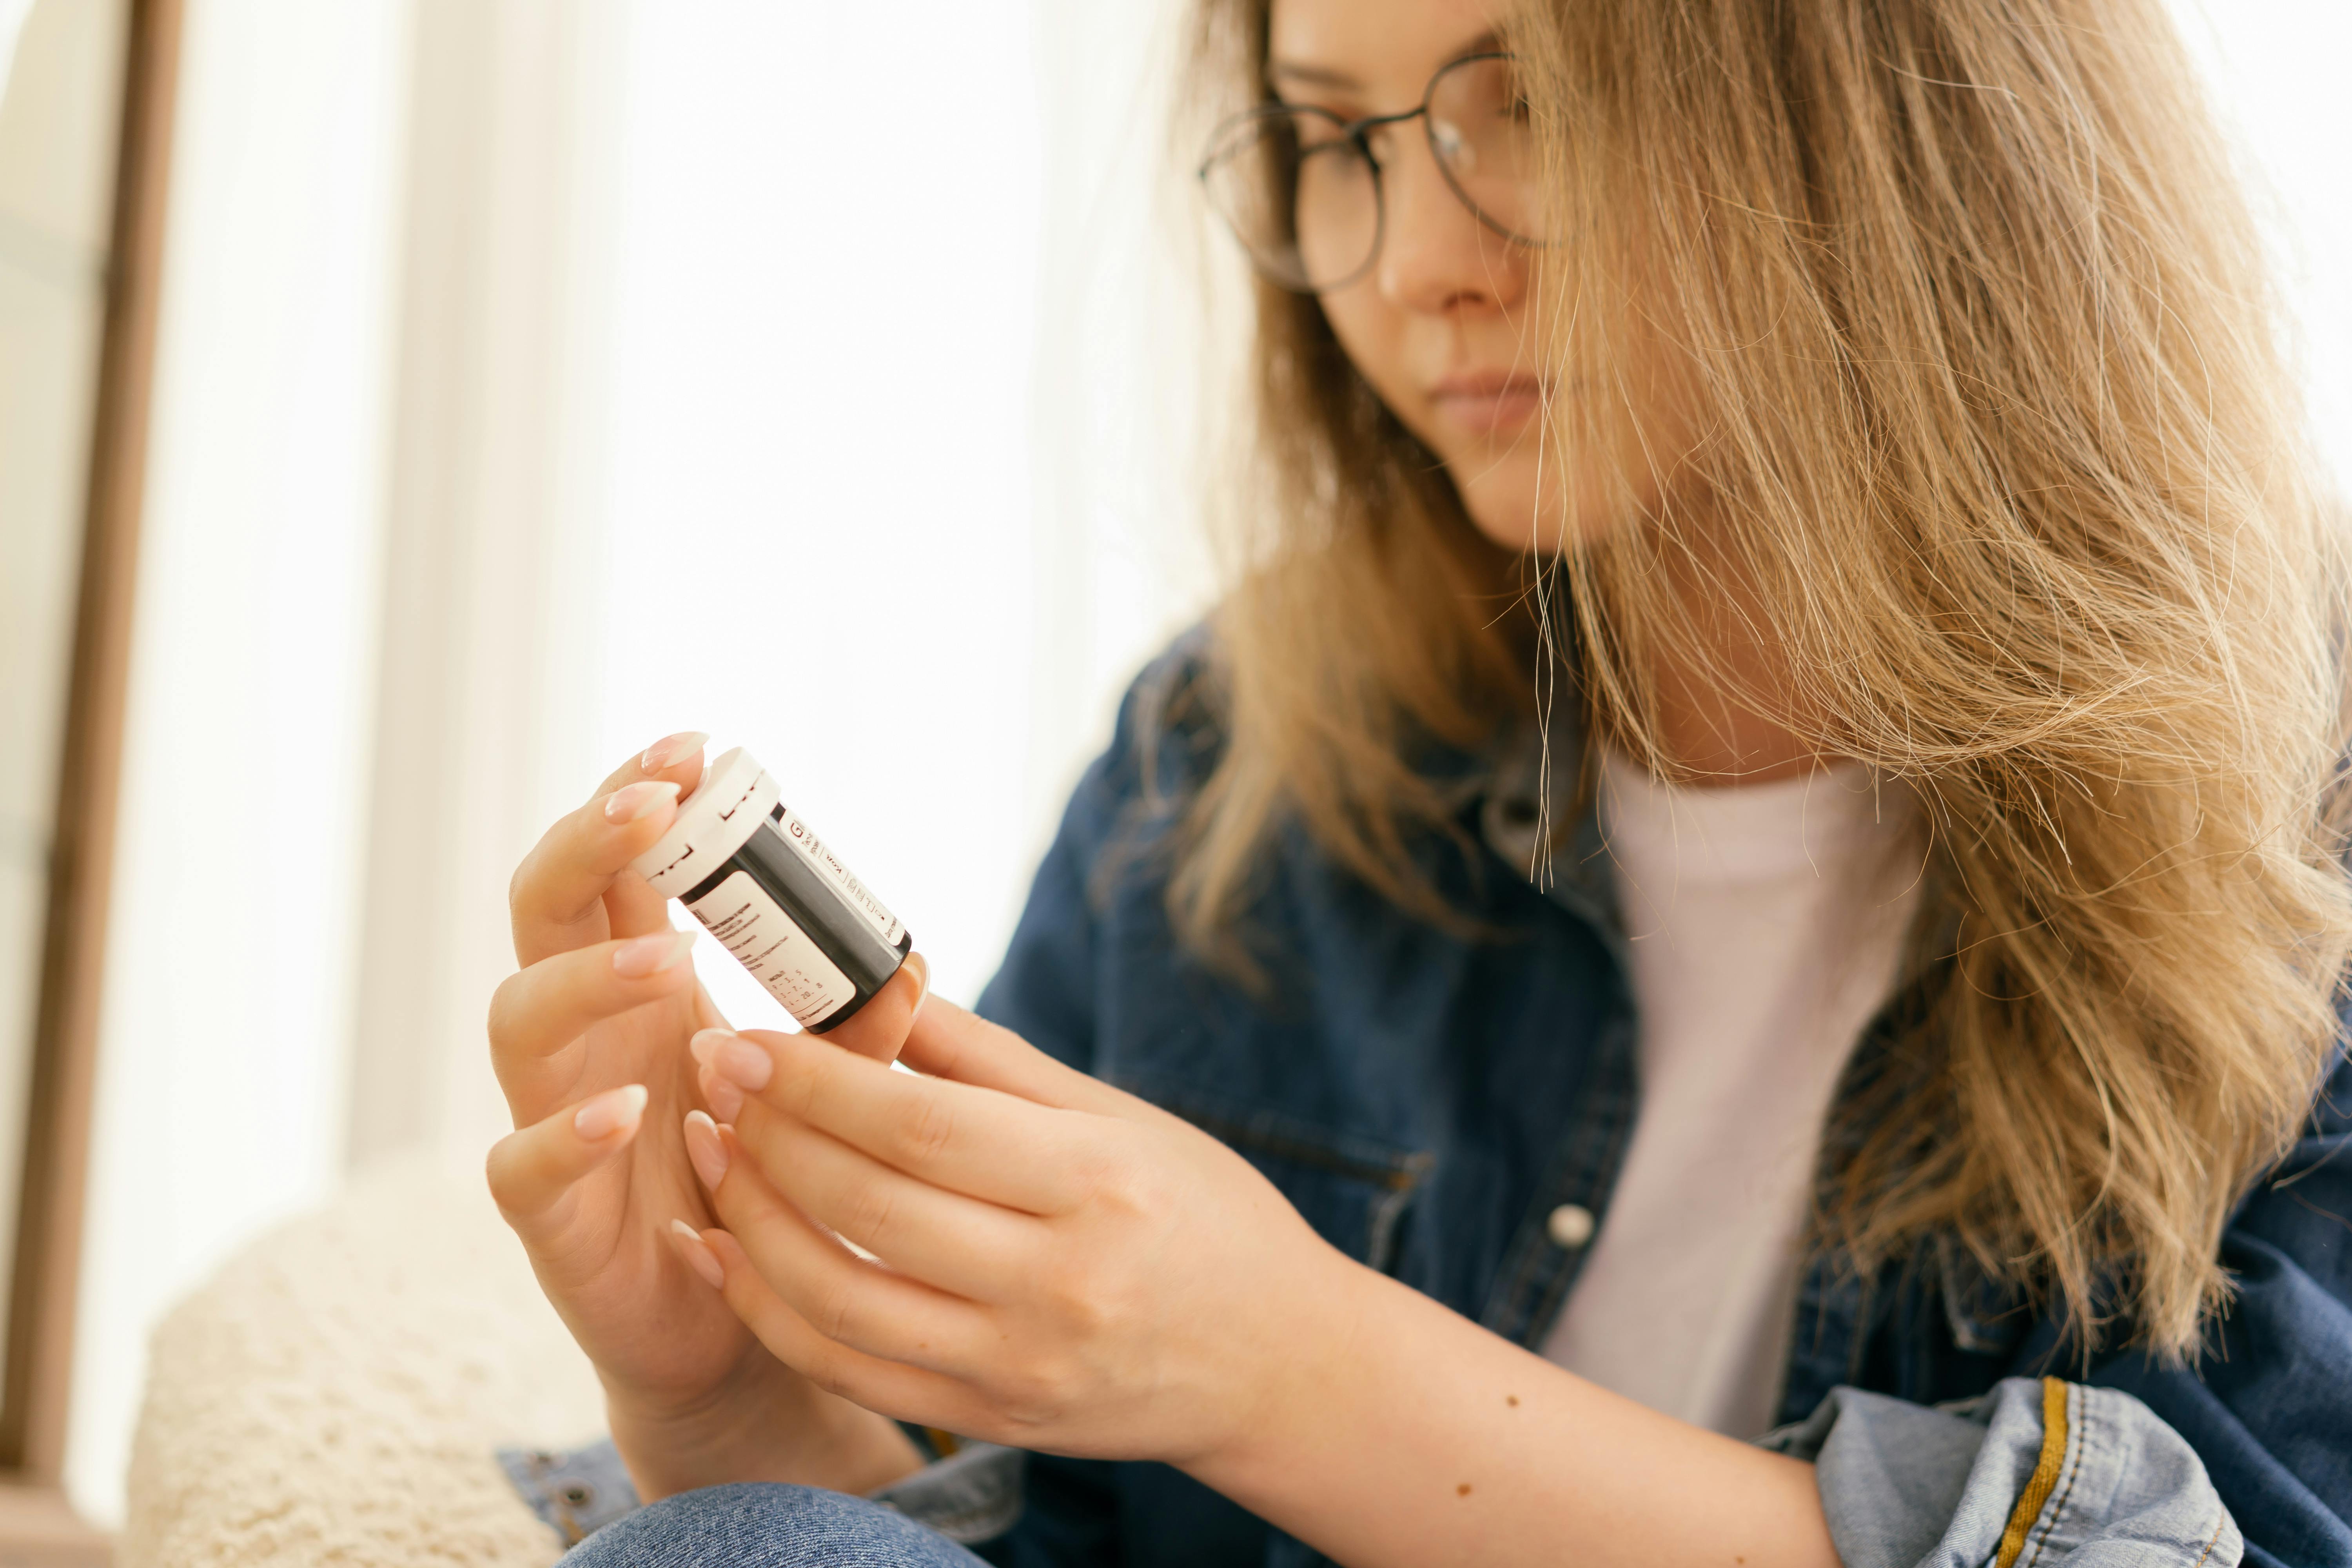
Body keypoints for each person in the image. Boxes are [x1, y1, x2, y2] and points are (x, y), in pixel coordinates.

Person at [485, 0, 2352, 1563]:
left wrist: (1290, 1364)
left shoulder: (2309, 800)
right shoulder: (1221, 761)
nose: (1411, 262)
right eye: (1334, 137)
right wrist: (715, 1384)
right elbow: (1026, 1539)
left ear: (1886, 105)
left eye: (1529, 102)